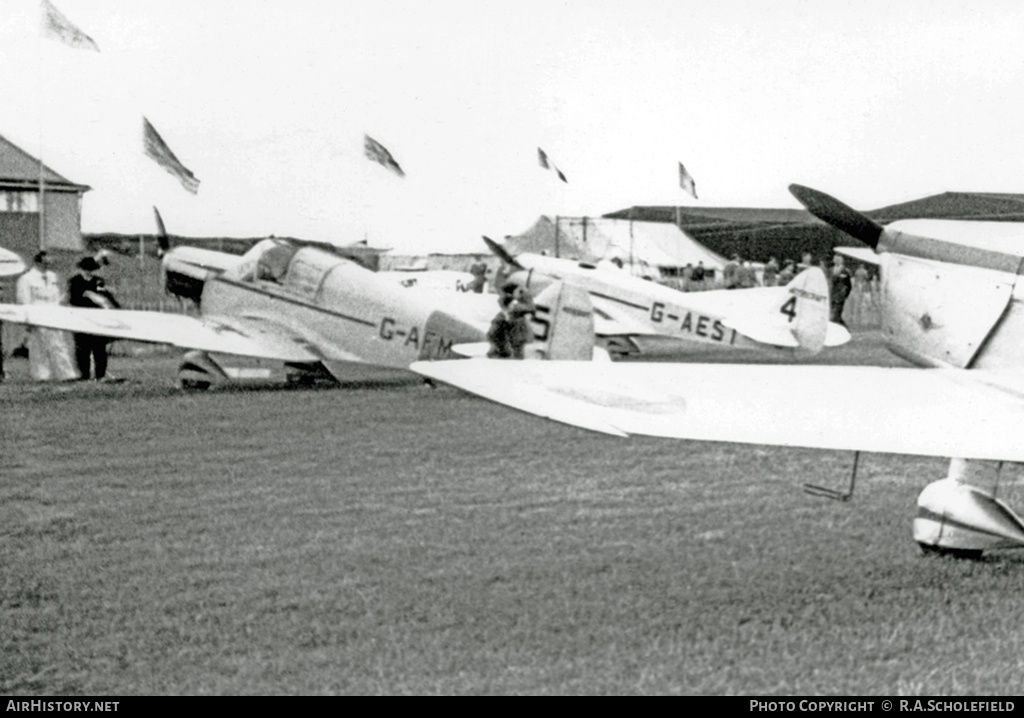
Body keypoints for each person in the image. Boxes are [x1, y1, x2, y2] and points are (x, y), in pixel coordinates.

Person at [15, 251, 78, 382]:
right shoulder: (26, 279)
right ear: (38, 262)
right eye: (45, 261)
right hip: (37, 316)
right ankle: (41, 376)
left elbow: (55, 297)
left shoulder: (52, 277)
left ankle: (66, 374)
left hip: (53, 315)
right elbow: (24, 300)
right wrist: (28, 320)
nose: (48, 264)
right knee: (38, 348)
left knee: (59, 345)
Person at [68, 256, 121, 382]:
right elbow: (74, 300)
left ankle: (100, 375)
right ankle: (84, 374)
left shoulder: (98, 281)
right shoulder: (75, 281)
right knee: (82, 349)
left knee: (99, 348)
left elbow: (106, 298)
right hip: (81, 319)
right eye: (86, 269)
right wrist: (88, 297)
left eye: (90, 269)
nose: (88, 272)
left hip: (98, 319)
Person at [487, 282, 535, 359]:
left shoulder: (506, 316)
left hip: (506, 352)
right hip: (511, 350)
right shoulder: (515, 314)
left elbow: (492, 335)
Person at [829, 254, 853, 326]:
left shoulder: (845, 271)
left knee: (837, 313)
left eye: (838, 259)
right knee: (835, 313)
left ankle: (838, 327)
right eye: (835, 259)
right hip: (832, 294)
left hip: (840, 295)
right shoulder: (830, 270)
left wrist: (846, 295)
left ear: (842, 261)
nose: (836, 261)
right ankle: (844, 327)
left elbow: (849, 285)